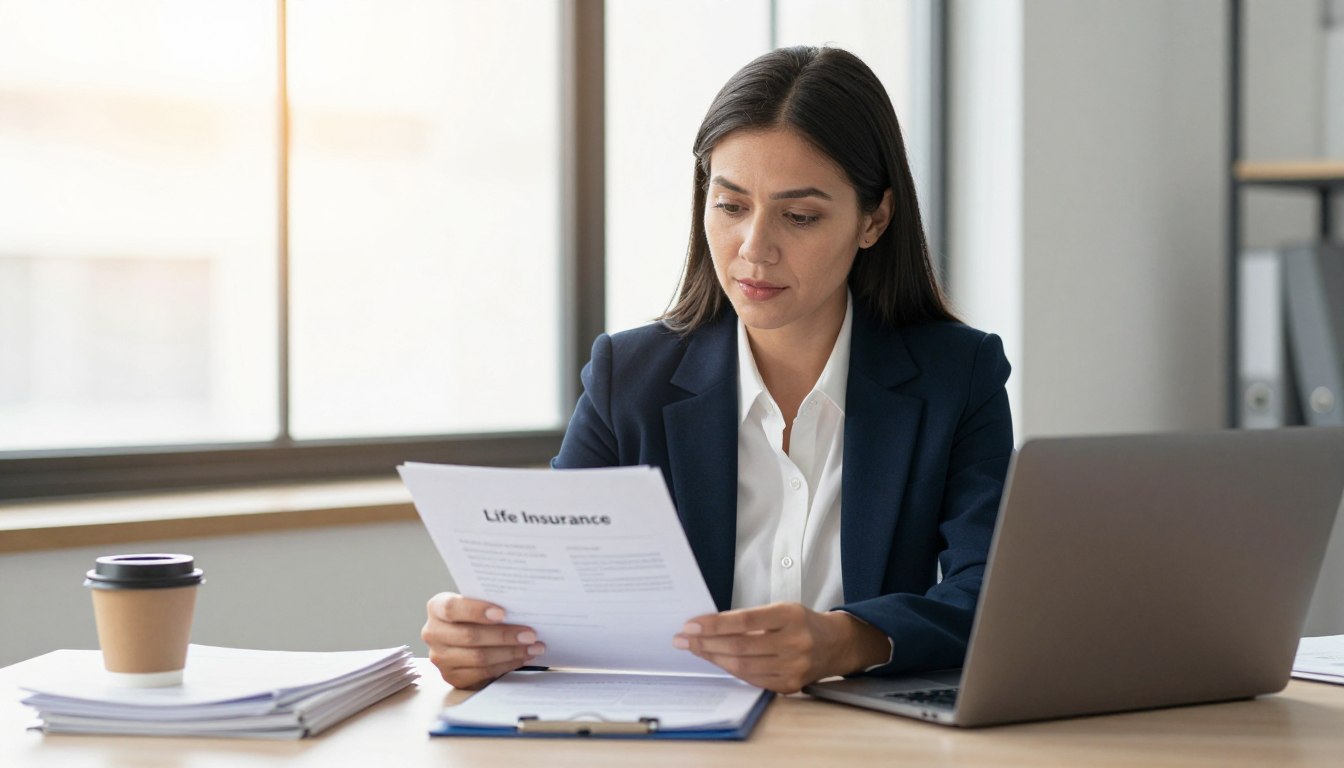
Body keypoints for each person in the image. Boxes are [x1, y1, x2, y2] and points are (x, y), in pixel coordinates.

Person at [422, 46, 1013, 694]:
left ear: (874, 218)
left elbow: (991, 592)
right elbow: (558, 595)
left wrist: (843, 639)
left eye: (800, 216)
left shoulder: (958, 377)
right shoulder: (628, 378)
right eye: (731, 206)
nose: (754, 249)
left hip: (872, 742)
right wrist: (485, 641)